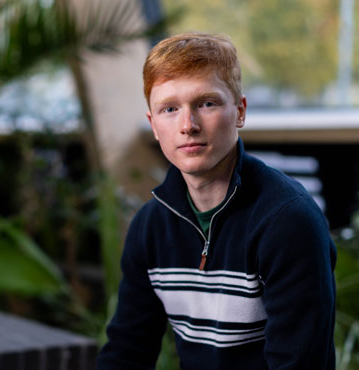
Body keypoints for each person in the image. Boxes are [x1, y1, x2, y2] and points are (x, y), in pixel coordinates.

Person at [96, 32, 336, 370]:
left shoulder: (287, 221)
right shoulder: (151, 226)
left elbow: (297, 364)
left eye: (206, 103)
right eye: (169, 108)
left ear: (239, 112)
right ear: (153, 125)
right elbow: (126, 350)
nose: (188, 125)